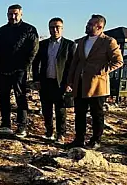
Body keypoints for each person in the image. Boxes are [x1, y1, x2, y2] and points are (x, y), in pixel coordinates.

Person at [66, 14, 123, 149]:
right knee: (79, 113)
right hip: (80, 83)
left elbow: (118, 61)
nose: (87, 26)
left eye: (90, 24)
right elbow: (75, 62)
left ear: (99, 26)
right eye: (87, 23)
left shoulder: (109, 42)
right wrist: (70, 80)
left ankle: (95, 140)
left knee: (96, 113)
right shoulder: (81, 41)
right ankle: (79, 139)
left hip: (97, 85)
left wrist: (101, 71)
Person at [0, 4, 38, 137]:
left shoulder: (29, 29)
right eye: (10, 14)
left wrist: (24, 67)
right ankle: (6, 124)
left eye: (15, 14)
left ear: (21, 14)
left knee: (20, 97)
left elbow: (33, 50)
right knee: (3, 97)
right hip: (2, 70)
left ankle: (22, 126)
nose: (13, 16)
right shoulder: (2, 30)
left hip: (19, 70)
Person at [31, 18, 75, 142]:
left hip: (61, 83)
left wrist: (69, 82)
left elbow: (72, 65)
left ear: (62, 28)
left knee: (60, 110)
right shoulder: (43, 44)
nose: (54, 30)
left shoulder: (69, 45)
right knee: (46, 109)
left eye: (57, 27)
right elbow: (36, 63)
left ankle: (61, 134)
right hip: (45, 82)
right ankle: (49, 131)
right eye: (51, 27)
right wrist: (36, 79)